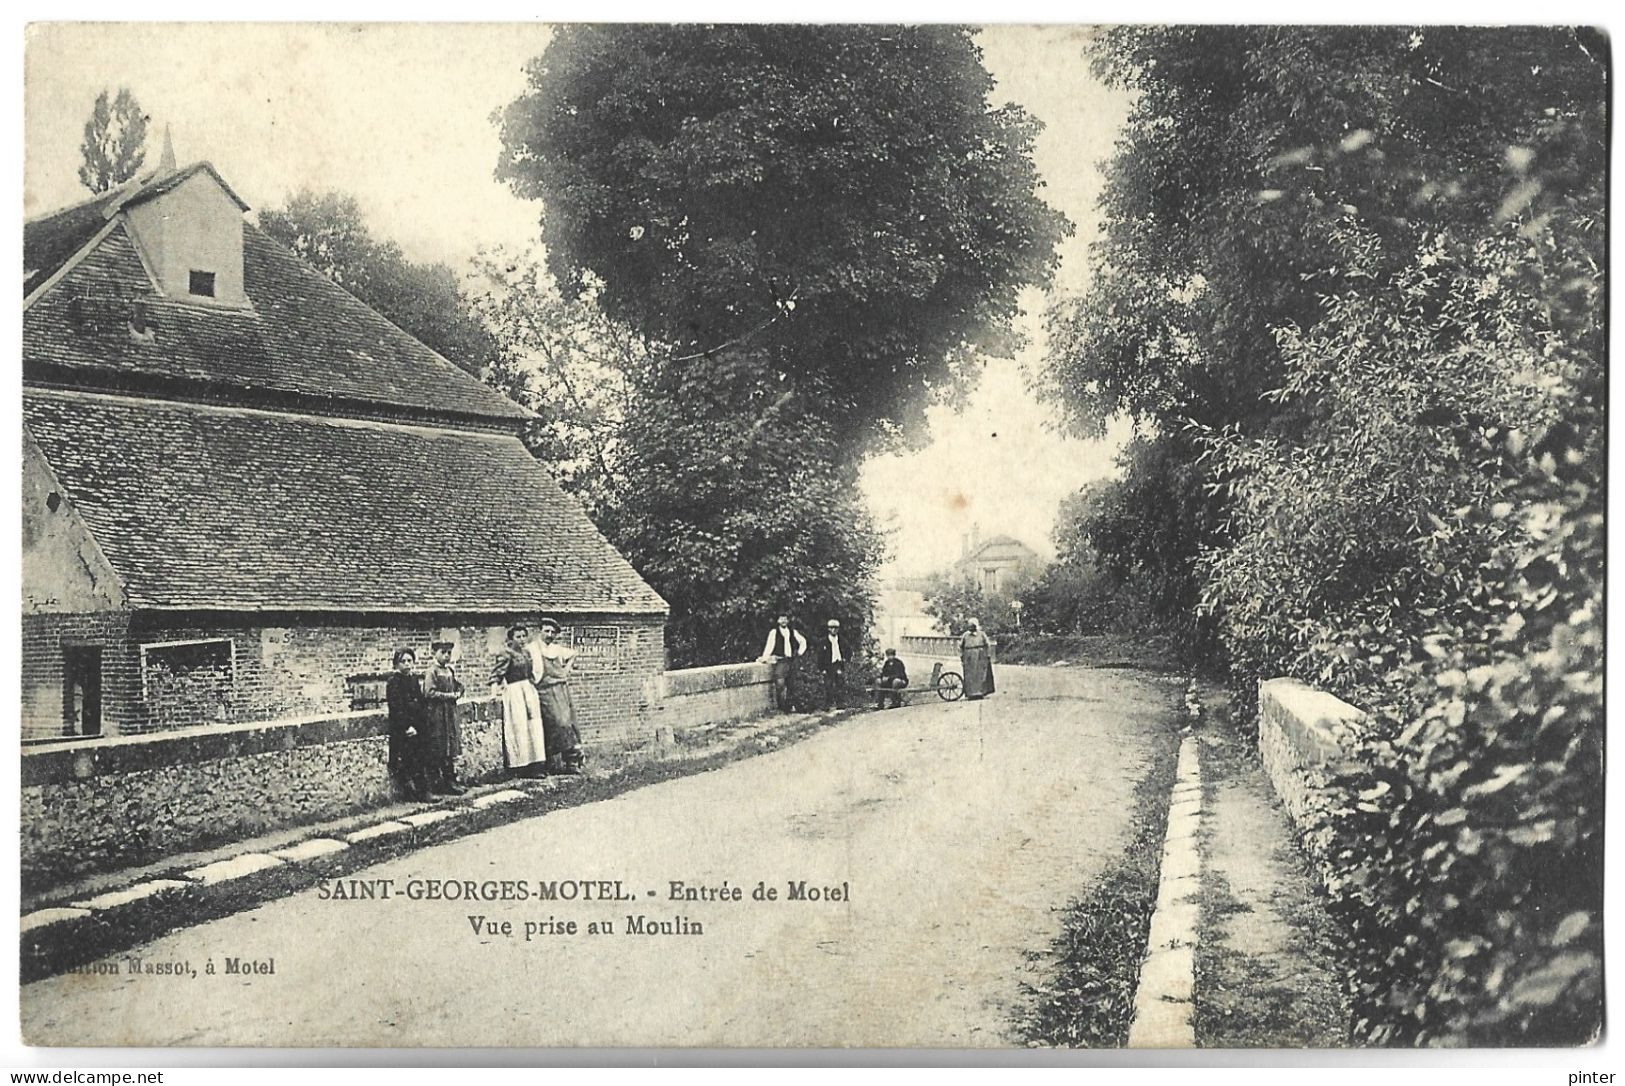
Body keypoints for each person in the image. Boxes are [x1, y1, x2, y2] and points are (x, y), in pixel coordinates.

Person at [490, 622, 547, 777]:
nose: (521, 639)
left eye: (524, 636)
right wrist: (495, 692)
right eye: (518, 637)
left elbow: (532, 673)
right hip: (514, 692)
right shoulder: (506, 653)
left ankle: (536, 765)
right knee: (519, 727)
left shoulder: (527, 653)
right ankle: (520, 766)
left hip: (528, 690)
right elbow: (497, 674)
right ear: (511, 639)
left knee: (534, 726)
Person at [529, 617, 585, 775]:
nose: (549, 634)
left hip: (560, 689)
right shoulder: (532, 649)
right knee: (553, 724)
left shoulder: (556, 649)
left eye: (553, 632)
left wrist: (565, 670)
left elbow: (574, 653)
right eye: (547, 631)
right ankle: (549, 761)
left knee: (567, 723)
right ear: (540, 631)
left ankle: (571, 761)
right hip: (543, 691)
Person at [385, 647, 431, 801]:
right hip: (402, 729)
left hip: (416, 727)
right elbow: (396, 707)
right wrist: (407, 727)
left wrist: (418, 725)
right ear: (396, 664)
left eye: (409, 661)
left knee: (420, 758)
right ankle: (410, 794)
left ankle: (423, 792)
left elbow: (420, 703)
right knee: (406, 760)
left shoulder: (413, 680)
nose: (406, 664)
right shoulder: (393, 682)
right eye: (402, 661)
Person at [422, 640, 467, 796]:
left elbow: (458, 686)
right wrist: (449, 696)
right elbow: (429, 692)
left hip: (449, 713)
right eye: (443, 652)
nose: (447, 656)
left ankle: (450, 781)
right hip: (437, 714)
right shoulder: (432, 671)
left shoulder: (449, 671)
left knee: (450, 747)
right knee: (438, 747)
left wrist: (459, 691)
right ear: (434, 653)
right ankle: (437, 784)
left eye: (449, 653)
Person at [759, 613, 808, 712]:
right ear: (778, 621)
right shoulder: (774, 632)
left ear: (788, 620)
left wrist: (799, 652)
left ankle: (790, 706)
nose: (784, 621)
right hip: (781, 661)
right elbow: (769, 646)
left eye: (785, 619)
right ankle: (781, 706)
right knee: (780, 683)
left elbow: (803, 641)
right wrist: (764, 658)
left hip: (791, 660)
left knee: (792, 684)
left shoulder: (792, 632)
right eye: (781, 619)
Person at [959, 618, 996, 700]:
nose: (971, 628)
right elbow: (961, 646)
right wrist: (962, 656)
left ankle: (980, 692)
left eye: (973, 626)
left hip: (980, 655)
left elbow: (987, 644)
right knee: (969, 675)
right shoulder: (965, 635)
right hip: (968, 656)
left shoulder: (982, 634)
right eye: (970, 626)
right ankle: (970, 694)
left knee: (980, 674)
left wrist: (988, 655)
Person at [816, 618, 848, 709]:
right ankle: (827, 704)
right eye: (831, 628)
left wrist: (845, 659)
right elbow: (820, 656)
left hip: (838, 664)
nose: (833, 630)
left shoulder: (842, 640)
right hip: (828, 665)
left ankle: (840, 703)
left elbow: (848, 650)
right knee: (828, 685)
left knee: (840, 683)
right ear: (828, 629)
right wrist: (822, 668)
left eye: (836, 628)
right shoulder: (823, 641)